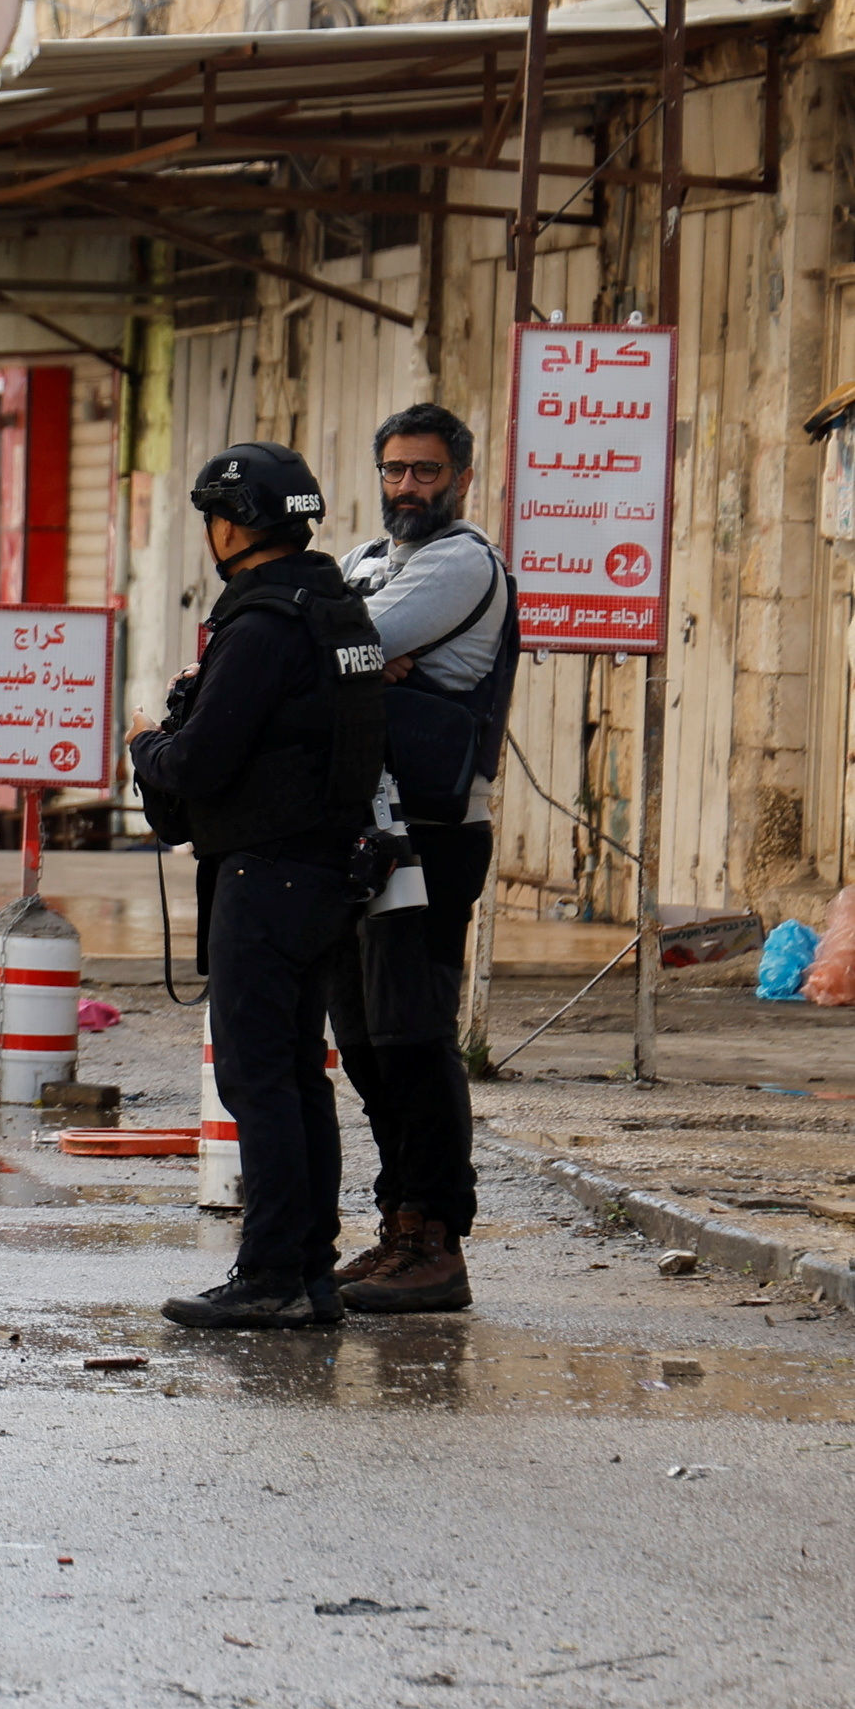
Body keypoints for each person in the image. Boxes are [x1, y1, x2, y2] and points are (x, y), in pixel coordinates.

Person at [129, 441, 389, 1331]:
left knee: (256, 1075)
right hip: (325, 870)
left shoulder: (262, 623)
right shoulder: (337, 610)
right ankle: (309, 1274)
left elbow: (199, 763)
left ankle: (272, 1271)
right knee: (294, 1073)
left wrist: (143, 742)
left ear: (232, 524)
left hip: (267, 872)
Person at [329, 404, 516, 1315]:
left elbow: (321, 646)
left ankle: (436, 1238)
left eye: (427, 472)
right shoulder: (368, 560)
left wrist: (356, 651)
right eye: (396, 470)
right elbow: (323, 644)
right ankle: (397, 1223)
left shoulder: (460, 562)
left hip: (433, 836)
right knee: (363, 1040)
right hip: (363, 831)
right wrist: (359, 651)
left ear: (462, 477)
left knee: (411, 1035)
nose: (408, 487)